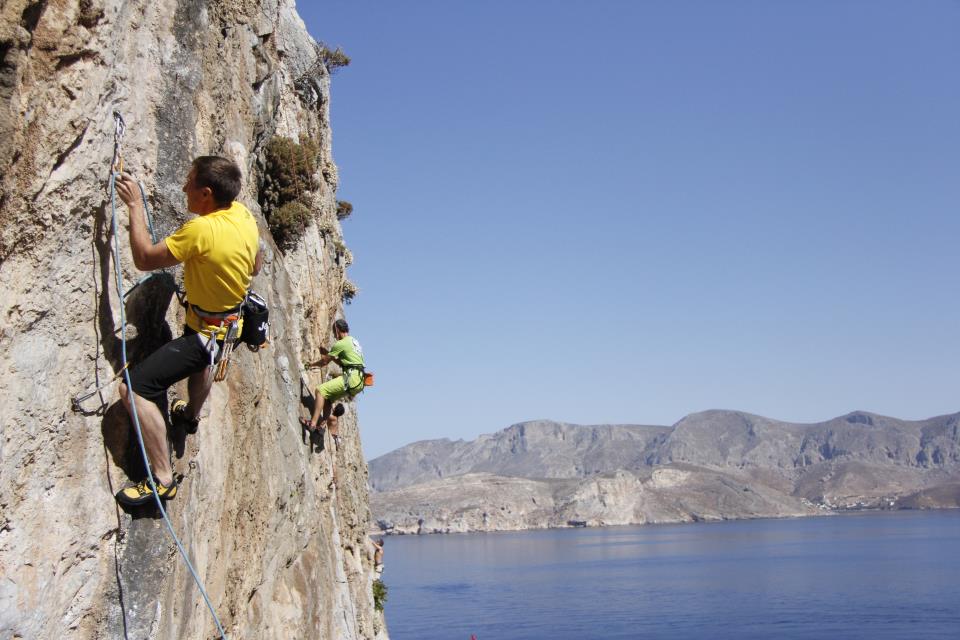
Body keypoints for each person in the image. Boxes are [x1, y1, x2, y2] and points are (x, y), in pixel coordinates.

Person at [113, 156, 262, 505]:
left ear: (206, 194)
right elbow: (255, 264)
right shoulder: (243, 216)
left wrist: (135, 205)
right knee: (203, 364)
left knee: (133, 390)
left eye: (189, 182)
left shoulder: (201, 231)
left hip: (204, 333)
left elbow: (145, 259)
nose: (184, 187)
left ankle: (163, 478)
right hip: (229, 324)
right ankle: (190, 416)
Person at [303, 319, 364, 446]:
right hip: (358, 380)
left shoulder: (341, 343)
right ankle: (322, 427)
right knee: (329, 399)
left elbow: (324, 362)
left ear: (337, 329)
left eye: (333, 332)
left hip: (351, 377)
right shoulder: (354, 342)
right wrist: (328, 354)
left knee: (320, 390)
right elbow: (342, 363)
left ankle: (313, 424)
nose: (334, 335)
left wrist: (311, 365)